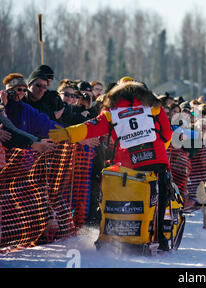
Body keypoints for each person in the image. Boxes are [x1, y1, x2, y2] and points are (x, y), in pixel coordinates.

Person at [48, 81, 173, 251]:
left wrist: (67, 133)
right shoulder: (154, 108)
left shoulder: (111, 113)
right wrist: (158, 151)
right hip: (156, 161)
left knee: (120, 197)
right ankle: (160, 238)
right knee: (159, 197)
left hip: (128, 164)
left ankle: (113, 234)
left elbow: (90, 128)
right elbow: (167, 134)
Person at [2, 73, 60, 139]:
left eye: (24, 90)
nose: (22, 93)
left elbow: (43, 122)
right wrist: (3, 105)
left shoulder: (25, 108)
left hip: (22, 145)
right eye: (19, 89)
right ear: (9, 91)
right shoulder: (2, 105)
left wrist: (64, 131)